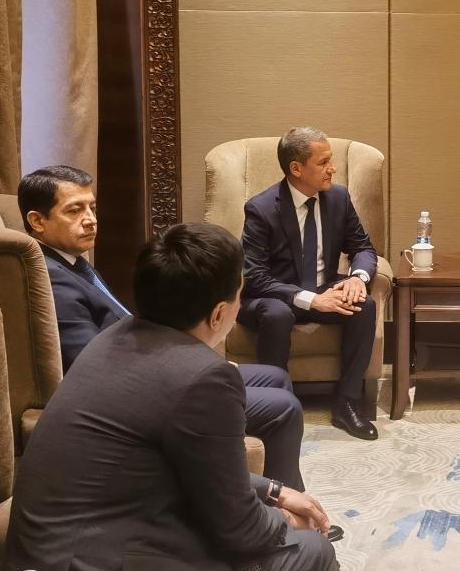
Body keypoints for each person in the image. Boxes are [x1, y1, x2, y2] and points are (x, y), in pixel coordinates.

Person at [0, 223, 338, 571]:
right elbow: (239, 528)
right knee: (313, 553)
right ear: (218, 314)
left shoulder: (113, 338)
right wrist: (282, 521)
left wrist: (274, 491)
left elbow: (206, 471)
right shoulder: (204, 377)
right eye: (240, 296)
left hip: (56, 555)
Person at [18, 166, 306, 490]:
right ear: (37, 221)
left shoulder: (71, 262)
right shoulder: (50, 279)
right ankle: (285, 501)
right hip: (135, 393)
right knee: (283, 409)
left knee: (276, 377)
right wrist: (187, 366)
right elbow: (94, 363)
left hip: (147, 362)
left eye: (92, 208)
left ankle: (275, 487)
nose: (90, 219)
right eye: (74, 210)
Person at [238, 127, 379, 441]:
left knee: (363, 305)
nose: (333, 168)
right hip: (275, 295)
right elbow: (254, 276)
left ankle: (347, 403)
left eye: (331, 160)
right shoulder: (262, 208)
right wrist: (311, 299)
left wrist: (358, 278)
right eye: (323, 162)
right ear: (296, 168)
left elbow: (363, 247)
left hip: (322, 287)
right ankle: (276, 405)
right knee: (277, 314)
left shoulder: (338, 198)